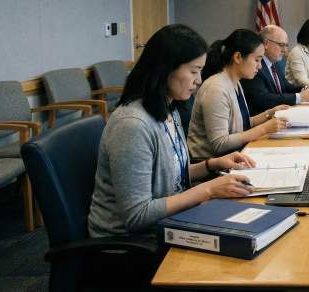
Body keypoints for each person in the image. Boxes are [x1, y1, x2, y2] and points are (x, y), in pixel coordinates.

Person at [88, 24, 257, 238]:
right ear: (165, 69)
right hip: (131, 242)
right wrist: (208, 189)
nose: (199, 80)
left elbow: (170, 175)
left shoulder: (168, 108)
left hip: (170, 220)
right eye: (193, 71)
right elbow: (137, 215)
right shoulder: (133, 125)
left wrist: (211, 165)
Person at [187, 29, 291, 159]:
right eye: (257, 60)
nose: (259, 66)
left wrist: (269, 114)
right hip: (211, 163)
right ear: (237, 57)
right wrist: (264, 129)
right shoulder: (216, 88)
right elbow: (220, 143)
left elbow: (239, 125)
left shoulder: (235, 82)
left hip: (233, 156)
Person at [241, 25, 309, 115]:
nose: (285, 50)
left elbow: (286, 87)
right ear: (266, 43)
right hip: (264, 118)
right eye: (281, 45)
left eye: (286, 45)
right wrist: (299, 97)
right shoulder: (255, 67)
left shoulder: (275, 63)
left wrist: (306, 88)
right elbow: (264, 99)